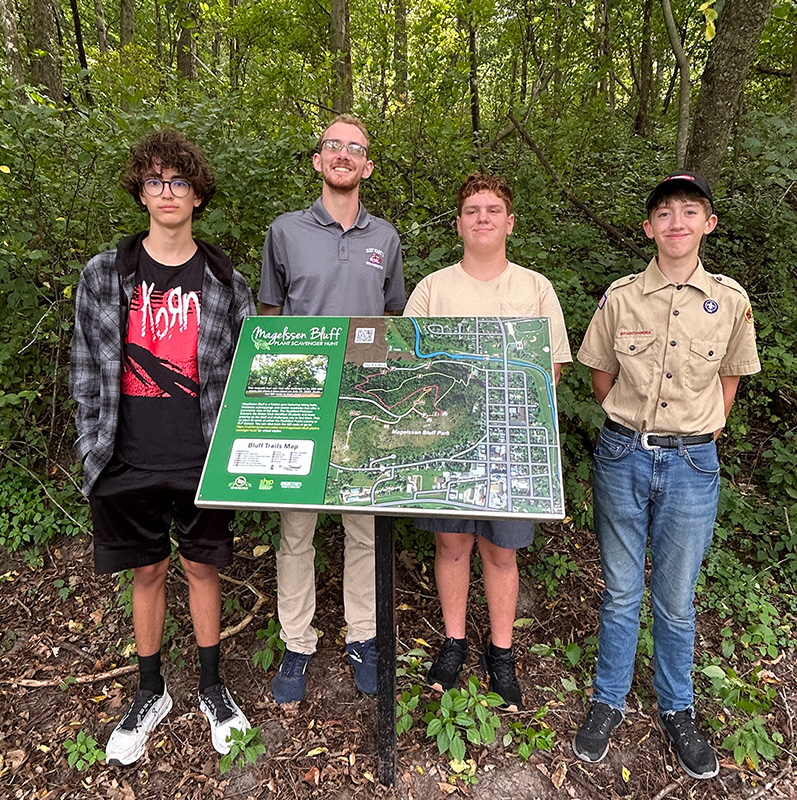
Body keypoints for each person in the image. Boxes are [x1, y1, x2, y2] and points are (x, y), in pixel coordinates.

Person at [70, 128, 254, 766]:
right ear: (141, 192)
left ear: (198, 194)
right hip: (127, 458)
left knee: (203, 568)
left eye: (178, 181)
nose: (167, 192)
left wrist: (239, 451)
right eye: (154, 180)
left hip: (203, 454)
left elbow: (248, 372)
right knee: (146, 572)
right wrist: (95, 449)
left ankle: (211, 686)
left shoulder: (226, 280)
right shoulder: (106, 274)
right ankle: (150, 691)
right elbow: (88, 370)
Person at [572, 172, 761, 778]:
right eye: (664, 213)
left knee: (676, 600)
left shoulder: (730, 301)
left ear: (708, 223)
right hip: (623, 455)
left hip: (690, 463)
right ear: (649, 227)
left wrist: (695, 431)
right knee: (623, 590)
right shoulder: (621, 296)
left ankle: (678, 708)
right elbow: (602, 377)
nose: (675, 222)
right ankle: (608, 699)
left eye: (689, 211)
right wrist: (636, 428)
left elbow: (730, 380)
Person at [403, 173, 572, 711]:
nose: (482, 217)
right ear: (458, 223)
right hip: (448, 443)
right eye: (472, 209)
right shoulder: (433, 288)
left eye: (493, 209)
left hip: (511, 443)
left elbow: (552, 368)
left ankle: (502, 651)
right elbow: (408, 362)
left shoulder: (535, 288)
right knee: (451, 545)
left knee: (501, 552)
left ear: (509, 222)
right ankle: (453, 642)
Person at [258, 114, 405, 703]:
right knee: (296, 531)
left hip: (362, 403)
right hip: (298, 399)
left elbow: (391, 320)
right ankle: (297, 642)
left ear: (366, 166)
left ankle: (363, 635)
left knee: (363, 529)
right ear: (319, 160)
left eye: (356, 148)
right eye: (333, 146)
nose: (343, 155)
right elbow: (269, 318)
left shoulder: (385, 239)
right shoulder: (285, 233)